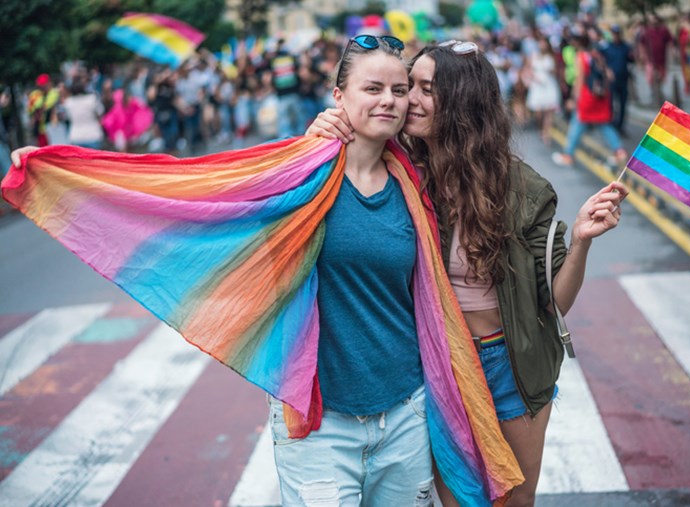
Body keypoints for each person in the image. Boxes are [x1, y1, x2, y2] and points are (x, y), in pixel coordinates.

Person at [6, 35, 524, 507]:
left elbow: (475, 165)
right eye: (373, 88)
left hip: (406, 415)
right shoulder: (300, 173)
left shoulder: (416, 178)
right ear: (338, 96)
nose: (390, 99)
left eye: (399, 88)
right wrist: (63, 172)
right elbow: (193, 192)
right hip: (322, 427)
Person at [307, 39, 628, 507]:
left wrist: (580, 241)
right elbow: (350, 141)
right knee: (457, 497)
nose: (406, 99)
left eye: (424, 89)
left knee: (515, 500)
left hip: (511, 363)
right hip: (439, 363)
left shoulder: (524, 189)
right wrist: (323, 126)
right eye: (407, 85)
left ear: (461, 102)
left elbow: (553, 303)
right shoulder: (401, 172)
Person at [552, 34, 627, 168]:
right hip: (601, 97)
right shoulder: (596, 56)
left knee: (577, 124)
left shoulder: (580, 57)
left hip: (587, 97)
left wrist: (574, 99)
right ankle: (619, 151)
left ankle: (568, 154)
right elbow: (610, 76)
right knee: (603, 124)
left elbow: (579, 80)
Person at [524, 35, 561, 144]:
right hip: (537, 85)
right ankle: (541, 129)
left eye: (544, 43)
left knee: (549, 111)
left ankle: (546, 134)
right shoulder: (533, 56)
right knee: (539, 112)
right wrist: (532, 77)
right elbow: (528, 69)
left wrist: (551, 71)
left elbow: (556, 71)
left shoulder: (552, 56)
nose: (542, 45)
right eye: (540, 43)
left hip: (549, 85)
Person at [60, 76, 104, 149]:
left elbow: (66, 118)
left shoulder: (68, 102)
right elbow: (100, 112)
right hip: (93, 135)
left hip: (76, 137)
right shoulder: (92, 99)